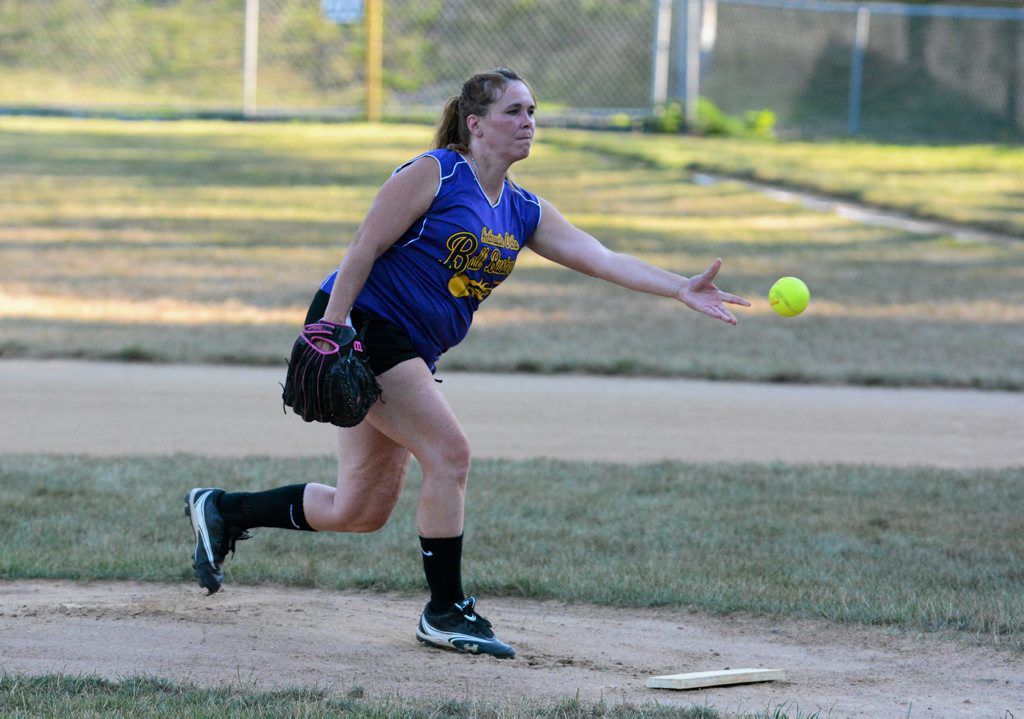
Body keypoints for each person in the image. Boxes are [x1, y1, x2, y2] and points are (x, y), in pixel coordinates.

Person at [185, 68, 750, 660]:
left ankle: (221, 510)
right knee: (449, 455)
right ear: (475, 123)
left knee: (359, 510)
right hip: (364, 327)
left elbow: (600, 257)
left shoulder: (523, 210)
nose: (528, 122)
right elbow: (364, 247)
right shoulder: (434, 172)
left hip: (410, 348)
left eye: (532, 111)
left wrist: (678, 287)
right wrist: (333, 327)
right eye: (514, 111)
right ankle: (445, 611)